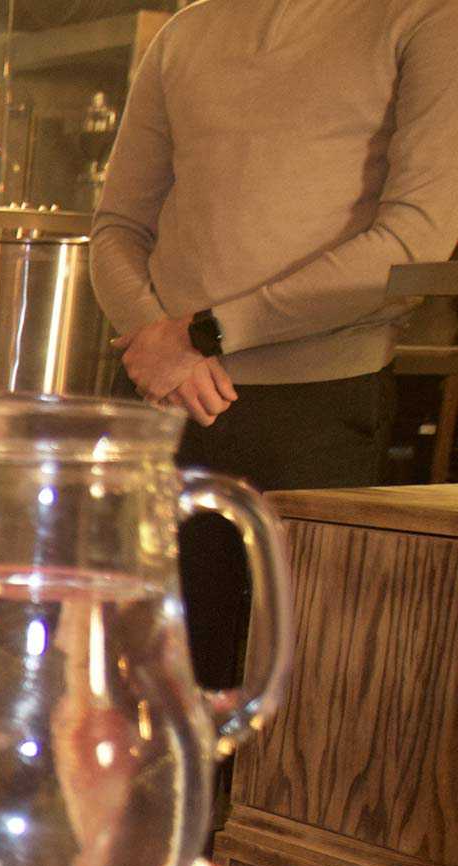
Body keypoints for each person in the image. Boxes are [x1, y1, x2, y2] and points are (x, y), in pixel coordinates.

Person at [91, 0, 458, 687]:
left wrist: (204, 335)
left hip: (314, 411)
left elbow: (415, 239)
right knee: (122, 682)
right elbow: (115, 226)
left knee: (278, 700)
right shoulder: (188, 30)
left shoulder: (427, 18)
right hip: (157, 400)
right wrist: (157, 343)